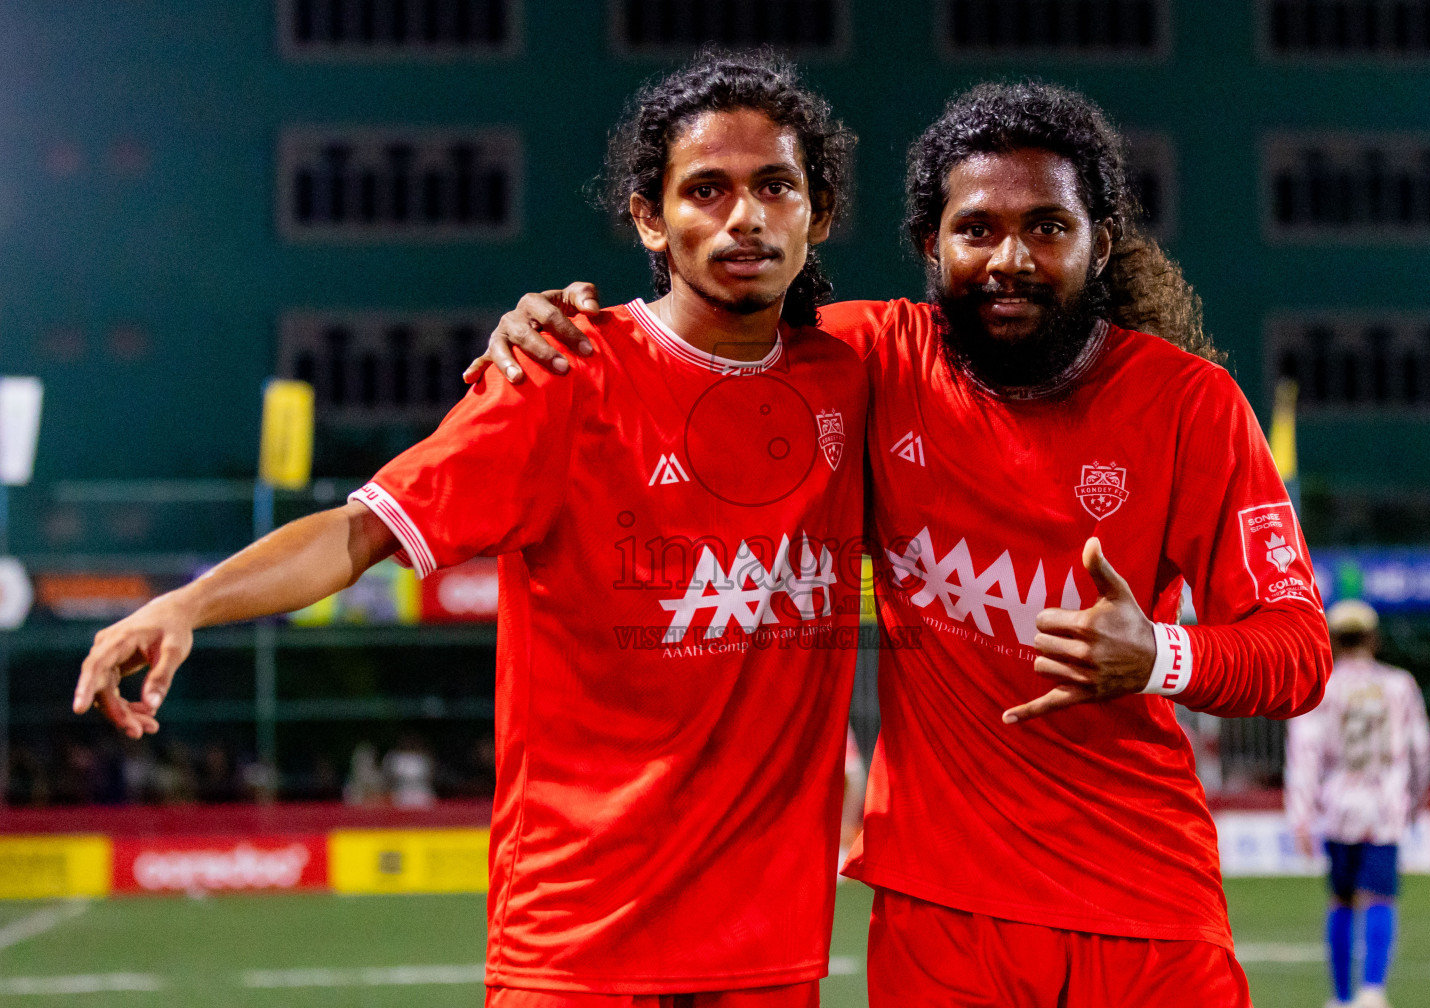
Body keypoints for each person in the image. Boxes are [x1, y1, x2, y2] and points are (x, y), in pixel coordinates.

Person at [473, 80, 1333, 1007]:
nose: (1011, 258)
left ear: (1101, 242)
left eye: (1048, 226)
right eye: (976, 229)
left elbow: (1297, 654)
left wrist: (1159, 653)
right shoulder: (868, 363)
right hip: (939, 919)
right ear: (931, 243)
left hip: (1148, 909)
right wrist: (552, 335)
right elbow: (693, 344)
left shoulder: (1189, 406)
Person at [73, 51, 868, 1007]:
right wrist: (191, 602)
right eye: (707, 188)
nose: (744, 216)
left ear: (817, 212)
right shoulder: (561, 374)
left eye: (774, 185)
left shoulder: (863, 376)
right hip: (577, 942)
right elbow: (360, 530)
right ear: (650, 218)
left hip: (764, 948)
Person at [1286, 599, 1430, 1008]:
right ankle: (1372, 990)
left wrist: (1300, 815)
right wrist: (1416, 804)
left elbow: (1305, 755)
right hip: (1385, 806)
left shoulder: (1321, 686)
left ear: (1331, 639)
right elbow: (1421, 750)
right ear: (1373, 638)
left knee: (1342, 898)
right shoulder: (1400, 685)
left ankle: (1340, 996)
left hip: (1337, 808)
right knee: (1381, 897)